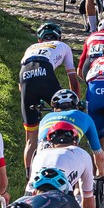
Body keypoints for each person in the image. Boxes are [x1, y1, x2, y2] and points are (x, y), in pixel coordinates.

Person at [18, 23, 75, 169]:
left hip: (25, 75)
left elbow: (21, 86)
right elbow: (72, 80)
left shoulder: (30, 48)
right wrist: (76, 105)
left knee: (30, 139)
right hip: (44, 71)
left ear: (39, 40)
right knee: (64, 109)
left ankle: (28, 182)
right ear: (59, 38)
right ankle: (62, 155)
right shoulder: (63, 46)